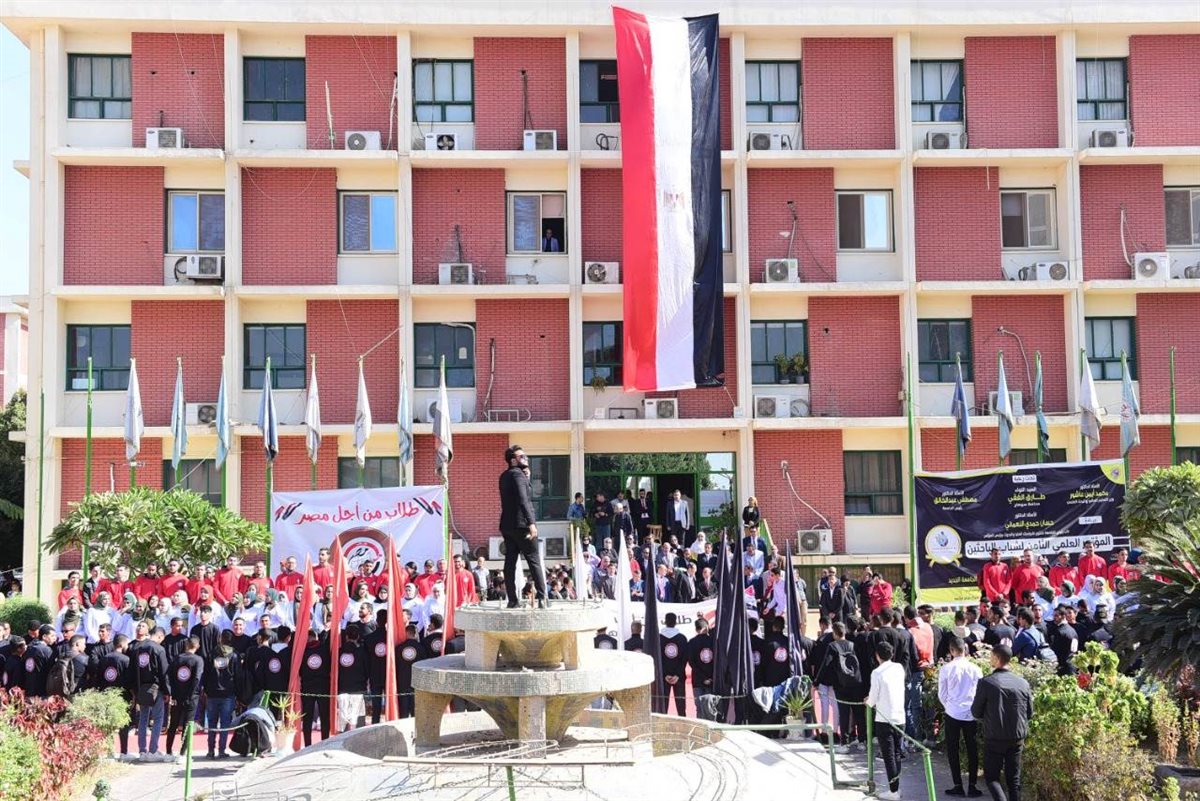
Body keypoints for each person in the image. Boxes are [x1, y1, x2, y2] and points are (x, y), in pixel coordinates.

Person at [972, 644, 1033, 801]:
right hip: (1016, 736)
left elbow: (976, 712)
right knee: (1014, 779)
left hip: (995, 737)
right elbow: (1029, 713)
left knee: (992, 777)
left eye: (991, 656)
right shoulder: (1023, 683)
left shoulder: (987, 682)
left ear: (997, 658)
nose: (990, 659)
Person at [499, 444, 547, 608]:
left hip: (507, 525)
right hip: (522, 525)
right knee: (534, 560)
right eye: (521, 456)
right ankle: (542, 598)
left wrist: (527, 479)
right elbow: (523, 499)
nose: (525, 458)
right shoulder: (518, 475)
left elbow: (519, 496)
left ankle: (512, 600)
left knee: (510, 562)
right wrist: (531, 523)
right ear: (513, 460)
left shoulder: (504, 476)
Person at [939, 636, 983, 797]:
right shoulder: (975, 669)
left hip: (952, 712)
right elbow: (980, 693)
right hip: (970, 713)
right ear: (965, 649)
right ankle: (972, 785)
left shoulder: (946, 669)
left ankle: (957, 784)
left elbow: (942, 694)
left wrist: (949, 706)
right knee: (972, 749)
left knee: (953, 749)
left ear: (951, 650)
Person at [866, 640, 906, 800]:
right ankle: (896, 787)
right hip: (899, 716)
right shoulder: (899, 668)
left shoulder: (876, 673)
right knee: (896, 753)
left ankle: (893, 791)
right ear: (892, 654)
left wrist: (868, 702)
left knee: (889, 755)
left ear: (877, 656)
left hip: (884, 719)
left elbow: (873, 697)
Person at [129, 624, 170, 758]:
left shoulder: (137, 648)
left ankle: (142, 750)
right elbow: (164, 672)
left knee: (143, 718)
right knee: (158, 718)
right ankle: (153, 750)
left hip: (141, 687)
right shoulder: (159, 649)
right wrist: (167, 691)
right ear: (160, 636)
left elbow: (132, 670)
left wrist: (135, 690)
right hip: (155, 687)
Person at [204, 631, 241, 759]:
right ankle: (221, 750)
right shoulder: (234, 655)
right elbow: (237, 676)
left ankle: (210, 751)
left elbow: (206, 674)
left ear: (220, 639)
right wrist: (238, 694)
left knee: (212, 723)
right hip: (228, 694)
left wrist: (206, 690)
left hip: (212, 693)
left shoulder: (211, 654)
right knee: (225, 724)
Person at [166, 637, 204, 758]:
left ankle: (168, 752)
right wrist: (190, 694)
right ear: (197, 646)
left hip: (177, 695)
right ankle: (182, 753)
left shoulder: (177, 658)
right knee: (188, 724)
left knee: (173, 724)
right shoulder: (198, 660)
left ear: (186, 645)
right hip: (191, 697)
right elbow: (197, 678)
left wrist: (172, 693)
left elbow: (169, 677)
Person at [659, 613, 688, 716]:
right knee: (681, 708)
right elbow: (684, 659)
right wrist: (678, 675)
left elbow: (658, 659)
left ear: (665, 622)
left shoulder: (659, 638)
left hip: (664, 678)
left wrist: (664, 674)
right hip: (678, 677)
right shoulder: (682, 638)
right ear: (676, 622)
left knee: (663, 708)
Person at [687, 618, 715, 700]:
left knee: (699, 705)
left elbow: (691, 662)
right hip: (712, 679)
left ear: (696, 629)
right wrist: (710, 677)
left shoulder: (692, 642)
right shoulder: (714, 641)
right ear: (707, 628)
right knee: (711, 705)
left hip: (697, 679)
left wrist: (703, 678)